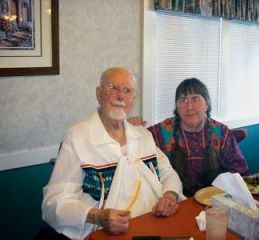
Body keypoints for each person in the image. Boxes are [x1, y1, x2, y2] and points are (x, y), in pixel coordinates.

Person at [42, 67, 184, 240]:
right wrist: (97, 216)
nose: (120, 96)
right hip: (102, 233)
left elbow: (168, 172)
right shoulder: (77, 137)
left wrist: (170, 196)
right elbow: (54, 202)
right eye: (113, 88)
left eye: (127, 90)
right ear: (98, 93)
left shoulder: (143, 135)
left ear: (134, 98)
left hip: (153, 225)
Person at [130, 78, 249, 197]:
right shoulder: (161, 132)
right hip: (174, 202)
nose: (189, 107)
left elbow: (240, 173)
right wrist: (130, 127)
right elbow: (135, 147)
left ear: (207, 104)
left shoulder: (221, 133)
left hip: (215, 201)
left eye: (195, 99)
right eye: (183, 100)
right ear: (176, 107)